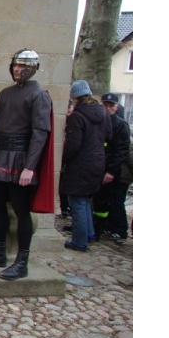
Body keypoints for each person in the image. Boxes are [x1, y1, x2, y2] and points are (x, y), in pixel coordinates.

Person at [0, 48, 53, 280]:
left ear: (32, 68)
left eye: (22, 66)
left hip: (21, 159)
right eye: (15, 66)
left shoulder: (39, 95)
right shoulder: (5, 94)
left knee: (21, 210)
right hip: (0, 154)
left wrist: (30, 167)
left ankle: (22, 262)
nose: (17, 70)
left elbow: (40, 134)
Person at [60, 80, 110, 252]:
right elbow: (108, 135)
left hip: (81, 163)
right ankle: (88, 234)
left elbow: (74, 144)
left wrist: (63, 160)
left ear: (74, 98)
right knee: (85, 200)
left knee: (77, 201)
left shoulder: (78, 116)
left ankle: (79, 240)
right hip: (98, 161)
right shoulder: (103, 113)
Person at [94, 93, 132, 245]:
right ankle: (102, 227)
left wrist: (111, 171)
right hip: (100, 167)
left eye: (111, 105)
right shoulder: (100, 122)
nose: (108, 108)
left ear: (116, 107)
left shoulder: (121, 125)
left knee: (116, 201)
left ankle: (119, 230)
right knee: (101, 201)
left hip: (116, 172)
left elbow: (121, 151)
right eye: (106, 105)